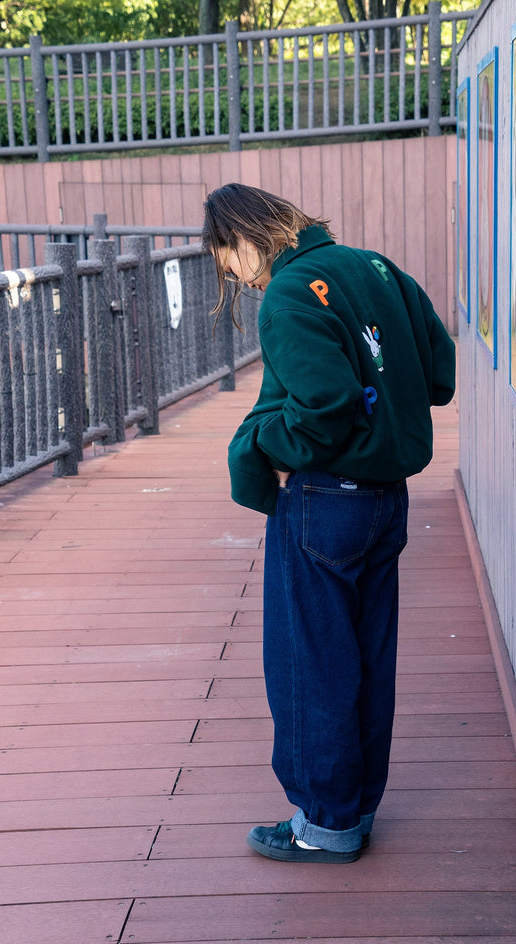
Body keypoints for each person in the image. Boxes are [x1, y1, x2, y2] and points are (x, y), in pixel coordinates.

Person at [202, 183, 456, 864]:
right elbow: (439, 371)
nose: (231, 272)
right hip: (385, 499)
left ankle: (325, 824)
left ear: (247, 235)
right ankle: (355, 808)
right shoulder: (374, 267)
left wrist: (270, 448)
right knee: (368, 659)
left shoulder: (289, 293)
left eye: (225, 254)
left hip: (323, 502)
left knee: (311, 664)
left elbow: (324, 402)